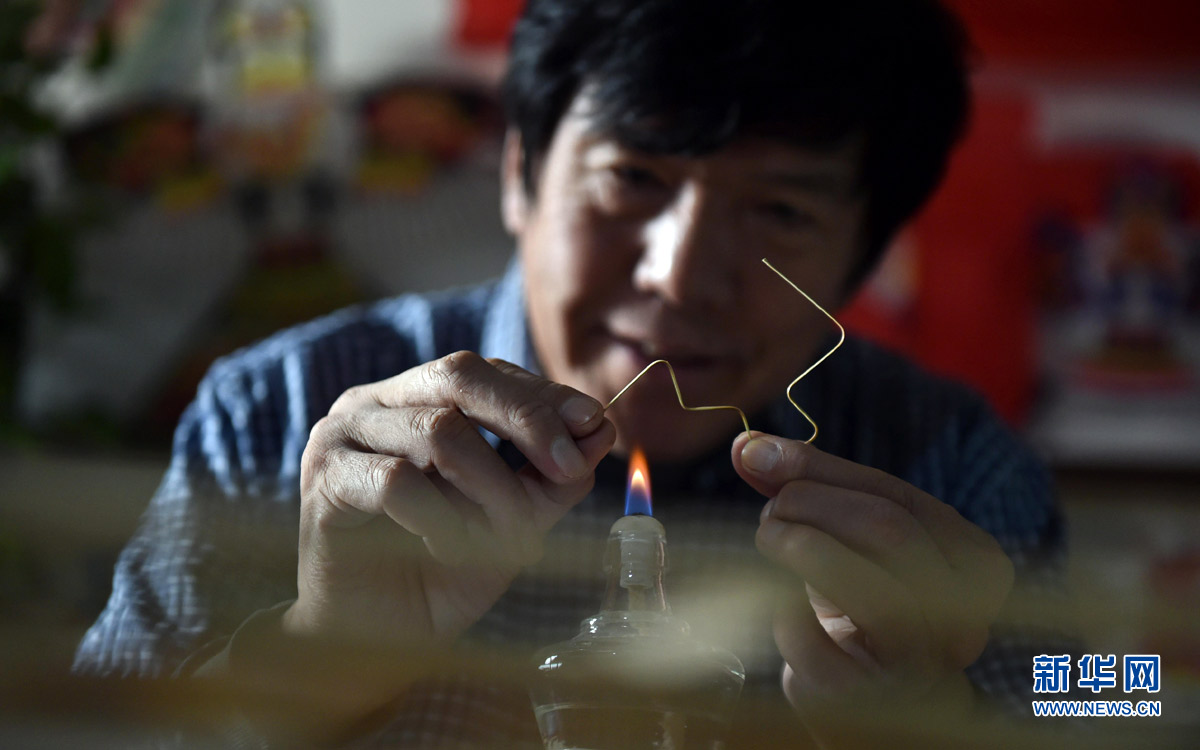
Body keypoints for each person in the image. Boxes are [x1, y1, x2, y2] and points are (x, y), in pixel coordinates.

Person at [75, 0, 1075, 747]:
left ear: (864, 256)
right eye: (632, 178)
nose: (680, 276)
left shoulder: (955, 465)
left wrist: (946, 718)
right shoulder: (281, 416)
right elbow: (76, 727)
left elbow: (1131, 691)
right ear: (521, 173)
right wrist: (311, 660)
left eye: (780, 211)